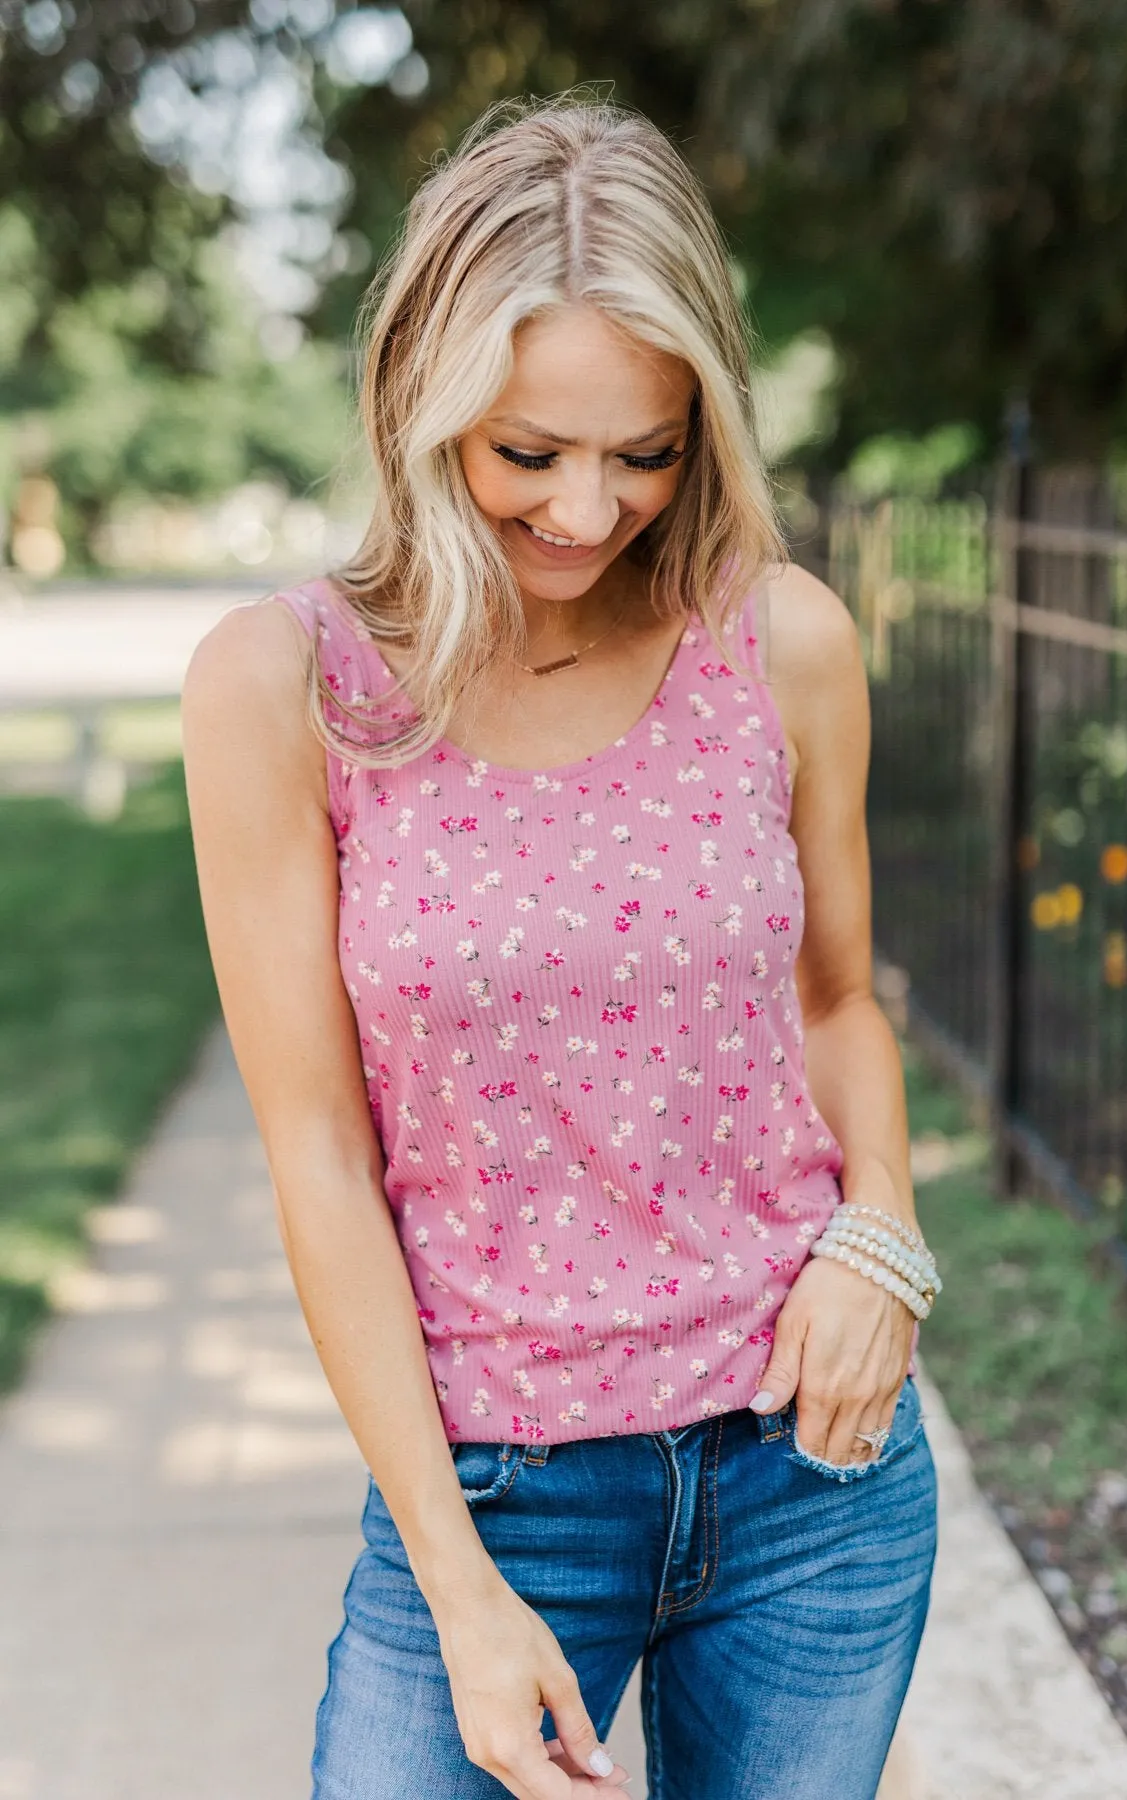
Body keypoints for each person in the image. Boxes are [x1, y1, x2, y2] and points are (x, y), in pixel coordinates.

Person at [182, 92, 940, 1800]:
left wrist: (878, 1223)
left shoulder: (780, 641)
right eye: (528, 452)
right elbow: (318, 1153)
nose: (587, 513)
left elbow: (834, 997)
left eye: (645, 453)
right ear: (419, 403)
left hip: (810, 1483)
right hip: (500, 1496)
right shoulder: (286, 689)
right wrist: (456, 1587)